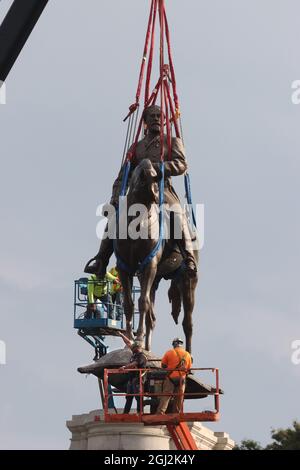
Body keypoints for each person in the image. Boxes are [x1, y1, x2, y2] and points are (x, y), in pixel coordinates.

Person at [84, 104, 197, 278]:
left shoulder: (172, 142)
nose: (156, 119)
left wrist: (159, 168)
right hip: (137, 191)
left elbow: (182, 164)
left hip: (163, 189)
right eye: (151, 116)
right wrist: (115, 197)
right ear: (144, 122)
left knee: (177, 213)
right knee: (116, 215)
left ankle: (189, 257)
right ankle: (101, 260)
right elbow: (123, 176)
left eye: (159, 116)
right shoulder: (136, 147)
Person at [156, 338, 192, 414]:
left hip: (171, 377)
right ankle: (176, 413)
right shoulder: (187, 354)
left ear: (174, 344)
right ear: (181, 345)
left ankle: (160, 412)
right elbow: (188, 369)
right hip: (181, 379)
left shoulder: (169, 352)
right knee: (179, 397)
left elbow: (163, 365)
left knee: (166, 395)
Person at [118, 332, 147, 414]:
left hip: (138, 379)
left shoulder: (141, 356)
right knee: (129, 397)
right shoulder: (134, 353)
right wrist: (122, 335)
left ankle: (140, 412)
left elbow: (134, 364)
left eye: (134, 348)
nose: (132, 348)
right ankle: (125, 413)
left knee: (138, 397)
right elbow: (128, 342)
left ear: (138, 348)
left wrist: (124, 367)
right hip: (132, 379)